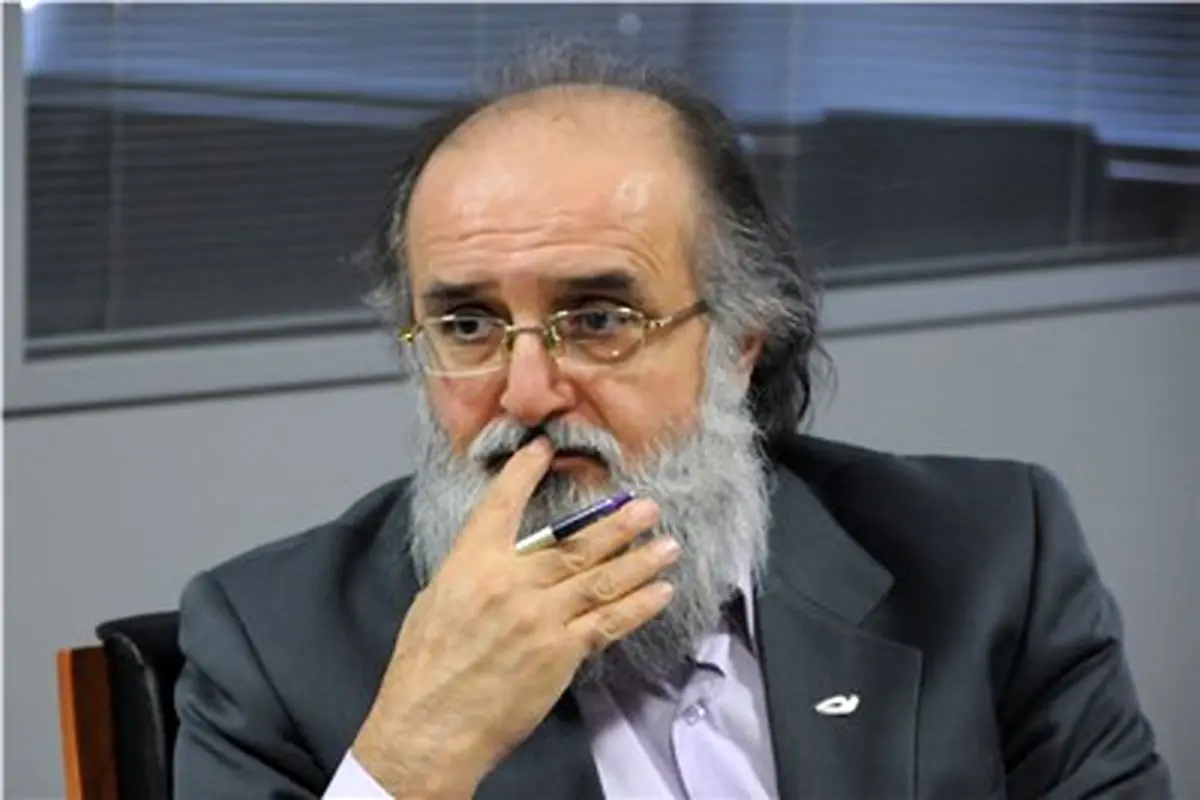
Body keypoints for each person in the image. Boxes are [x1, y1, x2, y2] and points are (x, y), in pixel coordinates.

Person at [172, 40, 1172, 799]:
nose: (527, 394)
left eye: (599, 319)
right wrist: (412, 757)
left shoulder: (988, 559)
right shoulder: (271, 644)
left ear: (738, 341)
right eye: (467, 324)